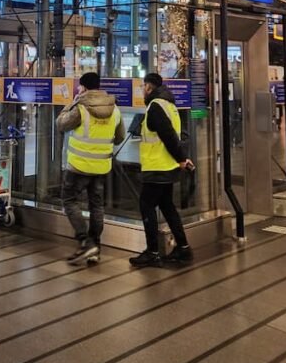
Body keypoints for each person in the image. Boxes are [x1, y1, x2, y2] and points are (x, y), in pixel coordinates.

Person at [55, 72, 125, 266]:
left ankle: (85, 242)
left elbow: (60, 124)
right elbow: (119, 138)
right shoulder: (115, 109)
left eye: (80, 87)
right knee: (97, 206)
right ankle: (96, 249)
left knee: (69, 200)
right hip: (102, 166)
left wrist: (72, 103)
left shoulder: (81, 109)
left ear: (84, 88)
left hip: (78, 166)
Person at [129, 73, 194, 268]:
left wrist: (182, 159)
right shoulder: (170, 105)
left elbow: (167, 136)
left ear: (149, 87)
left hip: (157, 168)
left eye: (143, 87)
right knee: (167, 206)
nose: (142, 90)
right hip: (166, 166)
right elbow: (176, 136)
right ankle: (183, 248)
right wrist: (181, 158)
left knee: (146, 205)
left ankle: (152, 251)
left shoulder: (156, 106)